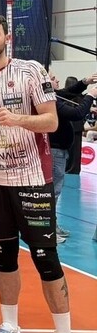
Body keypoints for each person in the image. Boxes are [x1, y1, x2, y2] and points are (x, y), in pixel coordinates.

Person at [0, 13, 79, 333]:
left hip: (31, 179)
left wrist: (18, 119)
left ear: (7, 37)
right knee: (3, 257)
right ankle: (10, 329)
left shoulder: (30, 71)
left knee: (46, 259)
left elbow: (52, 121)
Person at [50, 73, 96, 243]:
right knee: (53, 191)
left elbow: (68, 91)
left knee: (55, 190)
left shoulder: (54, 95)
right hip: (54, 151)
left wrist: (85, 82)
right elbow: (77, 113)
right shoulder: (50, 99)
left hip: (59, 151)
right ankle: (48, 229)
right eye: (53, 78)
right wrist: (90, 95)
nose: (57, 80)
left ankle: (52, 225)